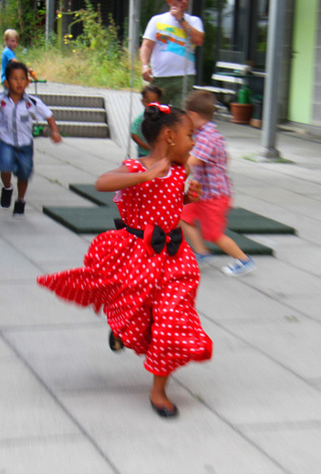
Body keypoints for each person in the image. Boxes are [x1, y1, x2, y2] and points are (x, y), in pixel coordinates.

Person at [37, 103, 211, 418]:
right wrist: (145, 174)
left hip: (174, 257)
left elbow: (168, 201)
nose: (193, 142)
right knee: (136, 312)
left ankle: (158, 391)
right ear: (169, 136)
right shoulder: (134, 167)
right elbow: (103, 182)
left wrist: (187, 197)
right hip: (138, 254)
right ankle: (120, 327)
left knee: (171, 320)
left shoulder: (180, 170)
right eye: (189, 135)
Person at [0, 61, 62, 216]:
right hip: (6, 142)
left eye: (22, 79)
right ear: (6, 82)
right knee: (5, 167)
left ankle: (20, 199)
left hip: (25, 144)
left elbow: (48, 115)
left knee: (24, 174)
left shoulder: (32, 102)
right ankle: (7, 188)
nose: (19, 82)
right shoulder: (1, 99)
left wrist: (55, 132)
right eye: (14, 79)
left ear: (28, 82)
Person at [180, 90, 256, 276]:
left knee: (213, 234)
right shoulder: (203, 133)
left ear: (194, 115)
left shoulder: (208, 137)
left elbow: (194, 160)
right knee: (182, 216)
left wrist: (170, 161)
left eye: (188, 115)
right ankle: (202, 252)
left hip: (214, 196)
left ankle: (244, 260)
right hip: (202, 192)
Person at [139, 0, 204, 108]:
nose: (183, 1)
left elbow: (198, 40)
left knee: (181, 114)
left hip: (184, 76)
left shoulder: (194, 21)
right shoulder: (157, 20)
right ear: (169, 1)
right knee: (156, 112)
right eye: (179, 0)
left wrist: (181, 19)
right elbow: (146, 46)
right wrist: (145, 66)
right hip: (160, 76)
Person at [131, 85, 163, 157]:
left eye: (154, 102)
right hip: (144, 154)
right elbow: (133, 134)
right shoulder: (141, 118)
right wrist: (145, 146)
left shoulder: (162, 117)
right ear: (142, 102)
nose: (150, 104)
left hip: (159, 153)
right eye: (147, 101)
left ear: (159, 102)